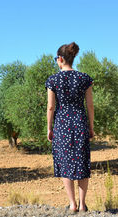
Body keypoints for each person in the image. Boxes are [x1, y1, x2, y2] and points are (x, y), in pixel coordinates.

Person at [45, 42, 94, 212]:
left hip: (61, 125)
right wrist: (91, 127)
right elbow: (90, 106)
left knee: (66, 163)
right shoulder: (84, 78)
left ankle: (72, 204)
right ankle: (82, 205)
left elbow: (50, 107)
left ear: (60, 59)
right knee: (81, 163)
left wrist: (49, 128)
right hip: (80, 122)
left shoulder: (53, 80)